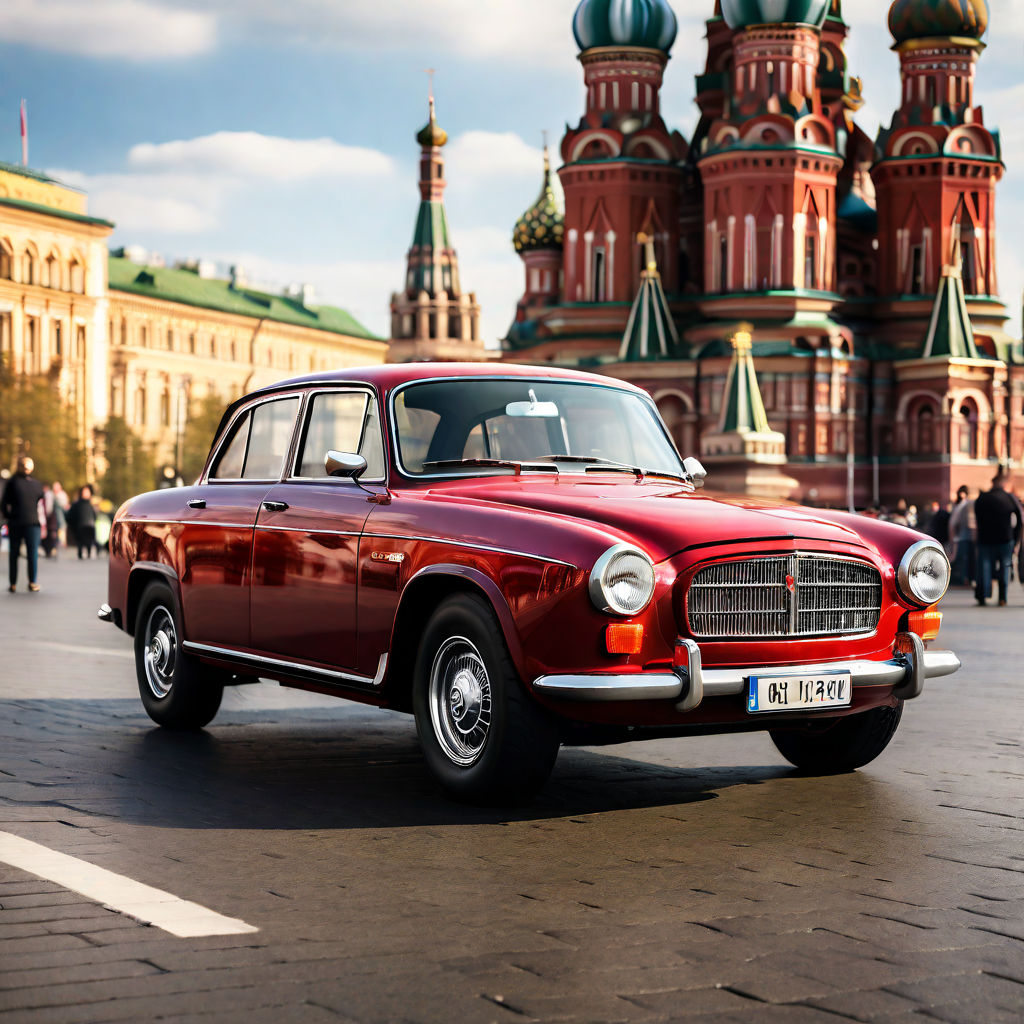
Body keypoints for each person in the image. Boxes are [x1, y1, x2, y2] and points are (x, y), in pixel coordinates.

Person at [974, 473, 1022, 607]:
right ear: (1003, 484)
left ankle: (983, 596)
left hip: (985, 539)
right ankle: (1002, 597)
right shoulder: (1009, 498)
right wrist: (1015, 536)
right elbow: (1019, 518)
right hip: (1005, 539)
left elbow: (978, 518)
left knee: (984, 567)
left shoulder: (983, 498)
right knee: (1005, 567)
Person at [1, 456, 46, 593]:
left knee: (20, 554)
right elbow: (4, 503)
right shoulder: (31, 484)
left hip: (23, 522)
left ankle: (21, 583)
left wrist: (9, 517)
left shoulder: (16, 483)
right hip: (27, 523)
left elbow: (3, 503)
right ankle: (24, 582)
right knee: (25, 554)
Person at [948, 485, 976, 587]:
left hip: (963, 536)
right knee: (963, 558)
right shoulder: (961, 505)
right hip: (961, 536)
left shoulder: (965, 505)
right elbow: (953, 523)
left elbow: (953, 523)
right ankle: (964, 578)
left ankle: (965, 578)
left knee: (964, 559)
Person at [69, 485, 98, 559]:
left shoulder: (91, 504)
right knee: (80, 542)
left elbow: (94, 515)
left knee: (89, 542)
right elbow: (72, 515)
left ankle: (89, 553)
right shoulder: (77, 504)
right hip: (80, 526)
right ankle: (80, 553)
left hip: (89, 526)